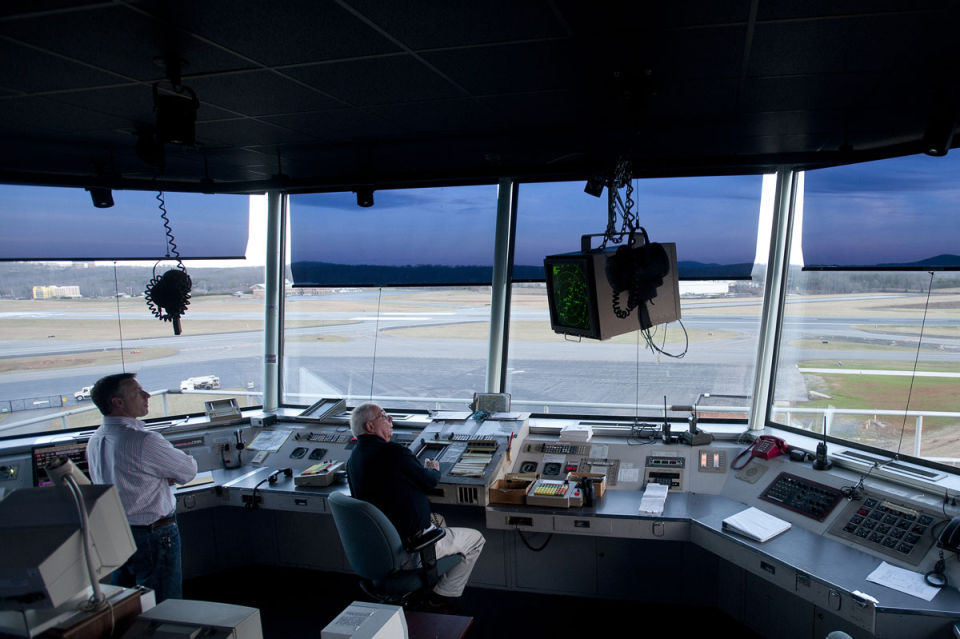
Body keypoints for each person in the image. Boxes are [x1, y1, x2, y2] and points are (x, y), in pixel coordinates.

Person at [347, 402, 485, 611]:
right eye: (384, 416)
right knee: (475, 539)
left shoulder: (354, 458)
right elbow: (429, 481)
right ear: (369, 427)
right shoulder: (394, 453)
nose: (390, 420)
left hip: (378, 548)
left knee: (439, 520)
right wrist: (434, 469)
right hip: (410, 549)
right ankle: (442, 597)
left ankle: (430, 590)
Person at [86, 373, 197, 602]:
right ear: (118, 402)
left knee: (126, 606)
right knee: (164, 605)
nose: (147, 395)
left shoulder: (96, 439)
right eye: (137, 392)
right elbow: (188, 471)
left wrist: (159, 476)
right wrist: (165, 476)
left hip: (118, 534)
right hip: (153, 536)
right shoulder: (143, 440)